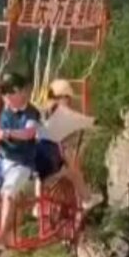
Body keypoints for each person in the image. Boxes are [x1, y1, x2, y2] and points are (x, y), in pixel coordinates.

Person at [0, 70, 44, 252]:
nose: (5, 97)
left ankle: (1, 238)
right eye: (3, 93)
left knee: (9, 193)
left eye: (8, 93)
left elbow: (29, 133)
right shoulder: (5, 111)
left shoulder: (31, 113)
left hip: (22, 163)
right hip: (3, 160)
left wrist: (8, 133)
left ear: (20, 92)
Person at [39, 78, 94, 210]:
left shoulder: (40, 111)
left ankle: (39, 206)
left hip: (31, 163)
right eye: (68, 98)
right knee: (74, 171)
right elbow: (88, 121)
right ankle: (87, 199)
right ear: (63, 97)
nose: (69, 102)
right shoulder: (64, 113)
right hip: (49, 167)